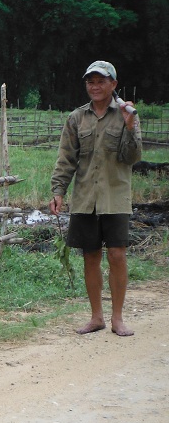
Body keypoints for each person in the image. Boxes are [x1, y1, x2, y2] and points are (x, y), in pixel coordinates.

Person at [50, 60, 142, 337]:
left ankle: (117, 318)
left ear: (113, 84)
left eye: (101, 81)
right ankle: (96, 317)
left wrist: (129, 126)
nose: (95, 86)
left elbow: (133, 157)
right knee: (90, 256)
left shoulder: (127, 114)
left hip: (115, 197)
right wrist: (58, 191)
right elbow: (66, 159)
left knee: (116, 255)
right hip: (85, 198)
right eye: (91, 81)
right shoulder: (77, 118)